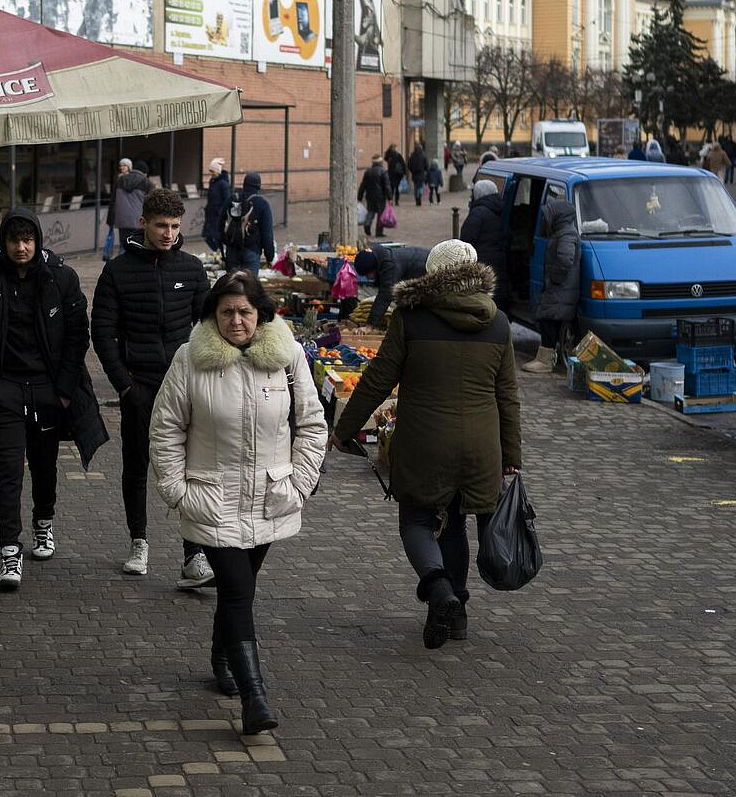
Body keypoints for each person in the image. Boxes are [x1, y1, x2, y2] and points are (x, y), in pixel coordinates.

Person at [149, 272, 327, 734]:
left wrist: (301, 482)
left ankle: (220, 655)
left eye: (245, 311)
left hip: (271, 498)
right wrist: (177, 491)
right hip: (211, 500)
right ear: (212, 314)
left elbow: (312, 424)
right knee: (236, 590)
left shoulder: (286, 360)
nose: (236, 320)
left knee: (239, 590)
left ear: (261, 314)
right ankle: (255, 696)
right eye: (226, 311)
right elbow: (165, 428)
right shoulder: (191, 360)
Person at [330, 241, 521, 650]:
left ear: (432, 275)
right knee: (455, 526)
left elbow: (379, 379)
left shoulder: (412, 318)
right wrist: (512, 457)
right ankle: (459, 615)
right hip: (481, 447)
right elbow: (508, 396)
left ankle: (439, 592)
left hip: (424, 442)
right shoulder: (499, 322)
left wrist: (344, 428)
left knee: (417, 522)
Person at [0, 208, 109, 590]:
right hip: (4, 391)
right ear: (4, 242)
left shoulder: (61, 278)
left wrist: (62, 390)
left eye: (28, 240)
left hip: (48, 391)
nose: (21, 247)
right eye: (14, 240)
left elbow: (78, 334)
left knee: (44, 466)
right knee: (9, 470)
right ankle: (10, 551)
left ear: (38, 241)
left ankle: (44, 523)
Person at [91, 188, 211, 586]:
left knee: (191, 467)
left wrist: (201, 372)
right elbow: (102, 333)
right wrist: (123, 384)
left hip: (183, 385)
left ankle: (193, 555)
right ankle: (138, 541)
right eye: (162, 225)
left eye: (176, 226)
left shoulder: (192, 270)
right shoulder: (117, 272)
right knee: (137, 465)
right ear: (143, 223)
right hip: (138, 384)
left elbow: (209, 328)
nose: (169, 233)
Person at [521, 199, 580, 374]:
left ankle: (545, 361)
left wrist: (554, 278)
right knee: (547, 319)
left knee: (547, 319)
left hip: (560, 288)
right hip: (559, 288)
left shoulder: (566, 234)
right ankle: (545, 358)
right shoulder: (563, 232)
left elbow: (565, 259)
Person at [458, 178, 508, 312]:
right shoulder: (500, 209)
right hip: (499, 259)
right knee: (498, 294)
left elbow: (466, 240)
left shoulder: (478, 213)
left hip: (482, 260)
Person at [353, 241, 431, 328]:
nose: (367, 278)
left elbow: (385, 295)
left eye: (367, 274)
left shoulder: (390, 267)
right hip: (418, 264)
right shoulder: (379, 256)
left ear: (373, 268)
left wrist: (370, 325)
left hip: (425, 267)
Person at [223, 172, 276, 274]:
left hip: (232, 250)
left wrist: (224, 247)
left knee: (232, 285)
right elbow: (267, 234)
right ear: (258, 186)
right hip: (251, 250)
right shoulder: (262, 204)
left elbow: (220, 224)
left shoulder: (232, 200)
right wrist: (270, 257)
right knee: (249, 286)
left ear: (244, 185)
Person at [107, 158, 152, 257]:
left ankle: (120, 268)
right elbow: (150, 204)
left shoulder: (120, 180)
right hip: (138, 221)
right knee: (137, 246)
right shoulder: (146, 182)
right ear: (144, 173)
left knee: (123, 246)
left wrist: (110, 220)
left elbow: (113, 201)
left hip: (122, 220)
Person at [202, 158, 234, 256]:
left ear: (217, 171)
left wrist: (221, 212)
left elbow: (227, 199)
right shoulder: (213, 182)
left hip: (218, 215)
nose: (211, 173)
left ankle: (221, 252)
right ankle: (219, 251)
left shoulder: (223, 184)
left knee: (216, 236)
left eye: (212, 171)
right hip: (211, 214)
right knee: (207, 236)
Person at [357, 156, 391, 237]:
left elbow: (363, 185)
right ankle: (379, 232)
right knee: (380, 214)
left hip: (370, 196)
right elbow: (387, 185)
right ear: (380, 162)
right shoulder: (383, 171)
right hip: (380, 197)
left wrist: (360, 196)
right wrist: (390, 197)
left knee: (370, 212)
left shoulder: (368, 172)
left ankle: (367, 224)